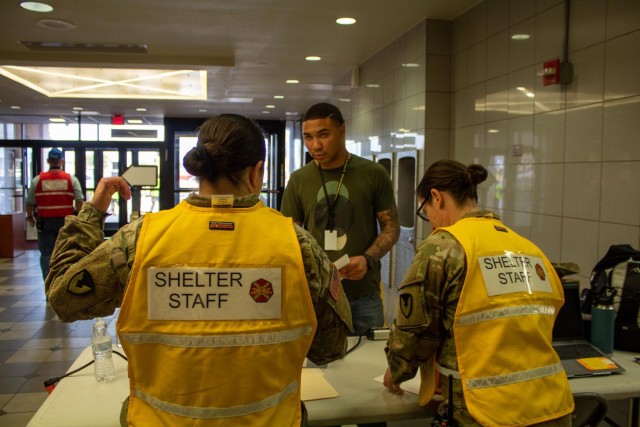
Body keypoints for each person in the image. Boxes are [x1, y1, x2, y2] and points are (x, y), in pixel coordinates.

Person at [46, 114, 353, 427]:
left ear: (198, 167)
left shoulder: (139, 239)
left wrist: (91, 214)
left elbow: (63, 299)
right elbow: (330, 348)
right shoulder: (297, 245)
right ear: (258, 170)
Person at [383, 160, 574, 427]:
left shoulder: (443, 247)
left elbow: (415, 330)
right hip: (553, 406)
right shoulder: (527, 247)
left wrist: (397, 370)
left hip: (486, 411)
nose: (431, 222)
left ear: (436, 198)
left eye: (425, 211)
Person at [281, 102, 400, 337]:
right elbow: (290, 236)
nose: (315, 145)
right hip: (317, 295)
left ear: (342, 131)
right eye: (308, 137)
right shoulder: (299, 179)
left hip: (363, 294)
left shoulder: (373, 173)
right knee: (318, 369)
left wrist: (367, 259)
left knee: (366, 365)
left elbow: (391, 227)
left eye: (323, 135)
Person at [26, 148, 83, 281]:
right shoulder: (71, 179)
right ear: (61, 161)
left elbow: (29, 203)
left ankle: (49, 286)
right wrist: (77, 215)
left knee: (46, 254)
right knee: (66, 253)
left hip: (44, 223)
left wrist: (30, 217)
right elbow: (80, 201)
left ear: (48, 161)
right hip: (65, 223)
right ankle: (63, 285)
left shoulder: (37, 180)